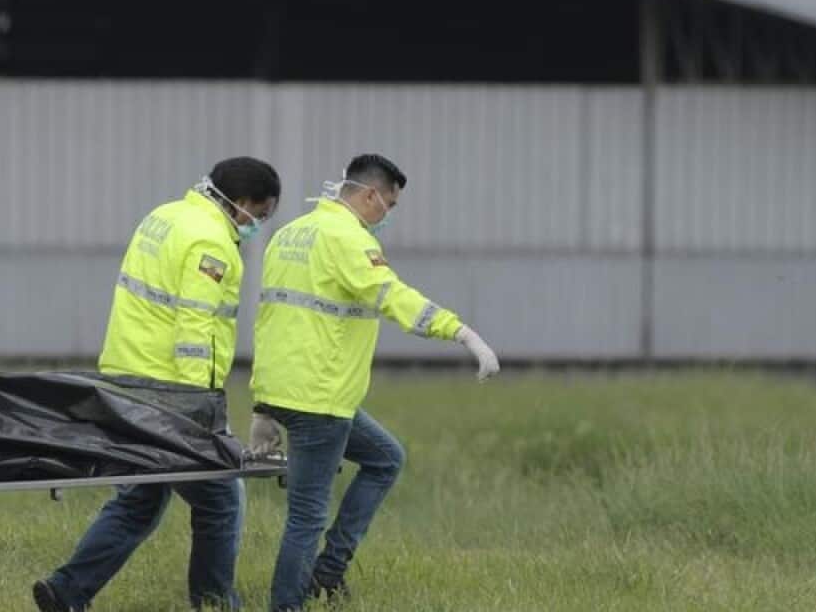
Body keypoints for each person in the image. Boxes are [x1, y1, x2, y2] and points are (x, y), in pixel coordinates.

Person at [248, 154, 501, 611]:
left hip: (289, 389)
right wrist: (462, 333)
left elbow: (270, 322)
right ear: (369, 195)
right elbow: (393, 297)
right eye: (390, 204)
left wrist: (263, 406)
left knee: (385, 458)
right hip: (319, 399)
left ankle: (328, 573)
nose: (388, 215)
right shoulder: (348, 239)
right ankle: (287, 604)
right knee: (306, 517)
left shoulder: (290, 234)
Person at [34, 157, 282, 612]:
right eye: (259, 215)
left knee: (140, 498)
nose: (256, 226)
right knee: (220, 497)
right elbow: (195, 328)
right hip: (168, 393)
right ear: (241, 202)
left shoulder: (164, 216)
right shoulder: (211, 242)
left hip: (123, 378)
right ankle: (214, 602)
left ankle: (66, 591)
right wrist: (198, 409)